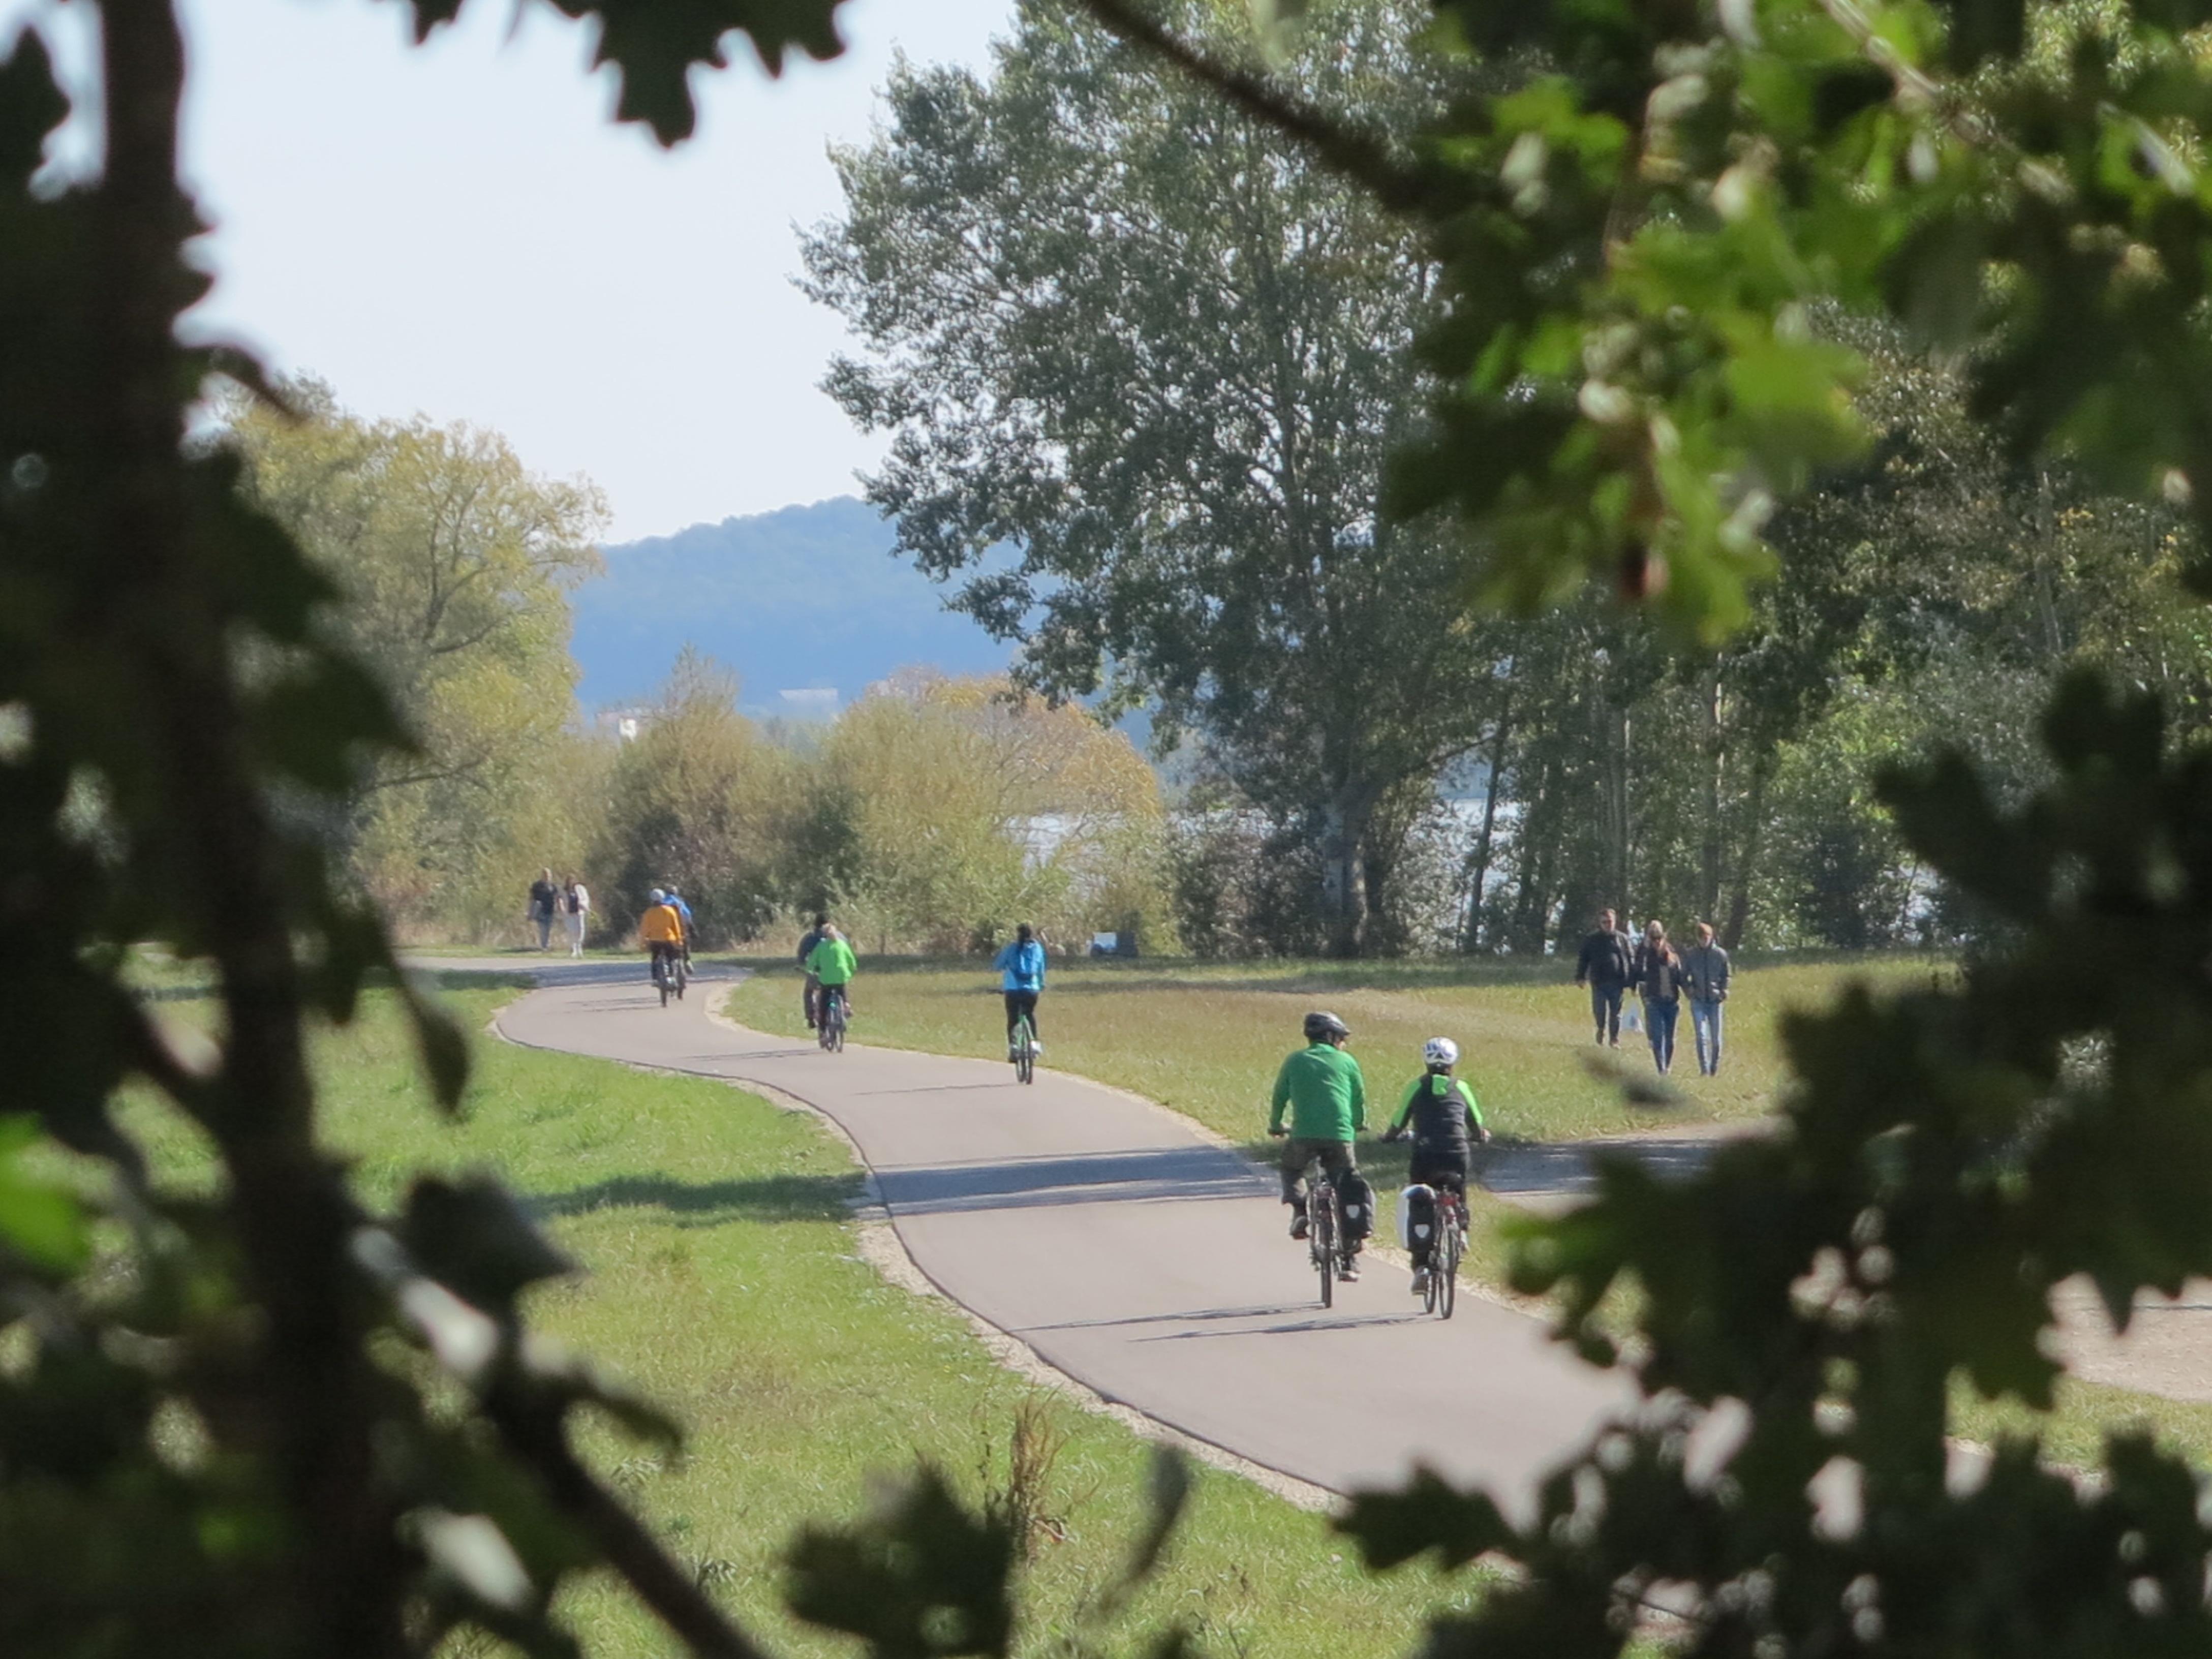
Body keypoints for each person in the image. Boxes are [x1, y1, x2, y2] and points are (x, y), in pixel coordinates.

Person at [1382, 1037, 1489, 1298]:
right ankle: (1461, 1230)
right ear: (1453, 1062)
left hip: (1425, 1154)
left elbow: (1398, 1120)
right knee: (1457, 1189)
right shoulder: (1461, 1087)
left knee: (1420, 1200)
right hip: (1456, 1153)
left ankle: (1421, 1266)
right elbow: (1476, 1121)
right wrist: (1479, 1135)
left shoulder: (1416, 1086)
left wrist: (1390, 1137)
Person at [1267, 1010, 1368, 1281]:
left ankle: (1300, 1210)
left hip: (1303, 1135)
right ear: (1332, 1037)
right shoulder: (1347, 1061)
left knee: (1292, 1168)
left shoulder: (1295, 1060)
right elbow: (1358, 1097)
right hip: (1340, 1136)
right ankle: (1349, 1259)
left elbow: (1280, 1095)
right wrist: (1359, 1123)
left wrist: (1276, 1124)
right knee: (1347, 1187)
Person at [1632, 919, 1688, 1074]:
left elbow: (1679, 977)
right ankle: (1661, 1068)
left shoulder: (1672, 956)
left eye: (1659, 938)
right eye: (1653, 938)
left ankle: (1668, 1066)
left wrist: (1689, 991)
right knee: (1657, 1037)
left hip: (1671, 1003)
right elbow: (1638, 968)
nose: (1656, 941)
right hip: (1654, 1002)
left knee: (1670, 1038)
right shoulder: (1646, 955)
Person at [1573, 907, 1635, 1047]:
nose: (1608, 924)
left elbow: (1631, 960)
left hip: (1618, 982)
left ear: (1615, 922)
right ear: (1600, 924)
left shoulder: (1623, 939)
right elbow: (1584, 959)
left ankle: (1614, 1039)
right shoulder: (1592, 940)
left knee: (1616, 1013)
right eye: (1604, 922)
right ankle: (1601, 1029)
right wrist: (1580, 977)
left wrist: (1633, 982)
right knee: (1599, 1011)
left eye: (1610, 921)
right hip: (1599, 982)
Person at [1682, 920, 1732, 1077]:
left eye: (1707, 937)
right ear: (1697, 938)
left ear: (1712, 936)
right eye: (1701, 938)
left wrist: (1724, 990)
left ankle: (1714, 1068)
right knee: (1701, 1036)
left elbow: (1727, 974)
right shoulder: (1691, 955)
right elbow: (1683, 976)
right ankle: (1704, 1069)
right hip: (1698, 1000)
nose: (1704, 940)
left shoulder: (1720, 954)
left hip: (1715, 1000)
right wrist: (1689, 990)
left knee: (1716, 1040)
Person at [993, 923, 1048, 1058]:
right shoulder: (1037, 949)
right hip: (1031, 990)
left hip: (1012, 990)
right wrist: (1041, 984)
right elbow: (1040, 969)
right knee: (1029, 1014)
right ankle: (1033, 1043)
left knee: (1013, 1017)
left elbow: (998, 965)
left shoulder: (1011, 948)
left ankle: (1013, 1047)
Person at [806, 924, 858, 1029]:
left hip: (826, 978)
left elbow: (812, 962)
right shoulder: (843, 945)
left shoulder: (821, 946)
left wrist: (809, 970)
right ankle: (846, 1006)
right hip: (841, 974)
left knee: (824, 1001)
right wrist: (851, 971)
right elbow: (852, 961)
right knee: (841, 990)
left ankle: (823, 1027)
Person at [639, 886, 685, 986]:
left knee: (655, 958)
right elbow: (676, 926)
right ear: (663, 898)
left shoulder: (649, 913)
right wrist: (679, 940)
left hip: (655, 940)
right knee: (671, 958)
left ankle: (655, 979)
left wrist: (643, 942)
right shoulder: (670, 911)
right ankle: (672, 977)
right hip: (668, 938)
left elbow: (644, 929)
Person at [796, 912, 830, 1029]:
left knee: (809, 993)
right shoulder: (836, 937)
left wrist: (800, 965)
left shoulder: (810, 937)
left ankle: (810, 1018)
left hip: (816, 972)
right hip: (833, 971)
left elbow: (802, 955)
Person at [527, 868, 559, 951]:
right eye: (545, 875)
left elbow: (556, 898)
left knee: (548, 929)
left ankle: (546, 944)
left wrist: (558, 907)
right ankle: (545, 946)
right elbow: (531, 898)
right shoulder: (537, 886)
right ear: (542, 875)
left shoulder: (553, 887)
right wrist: (531, 910)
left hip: (550, 910)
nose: (547, 877)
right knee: (543, 929)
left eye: (549, 875)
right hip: (540, 910)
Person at [665, 885, 695, 968]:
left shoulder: (663, 902)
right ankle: (687, 960)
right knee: (686, 940)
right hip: (680, 926)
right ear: (676, 892)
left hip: (667, 928)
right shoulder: (679, 902)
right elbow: (687, 914)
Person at [563, 875, 590, 959]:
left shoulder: (580, 889)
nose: (571, 882)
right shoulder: (564, 891)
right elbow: (561, 901)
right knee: (572, 931)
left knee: (580, 931)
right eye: (569, 881)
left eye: (572, 880)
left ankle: (579, 947)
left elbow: (585, 899)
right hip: (569, 914)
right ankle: (573, 949)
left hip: (579, 913)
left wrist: (584, 906)